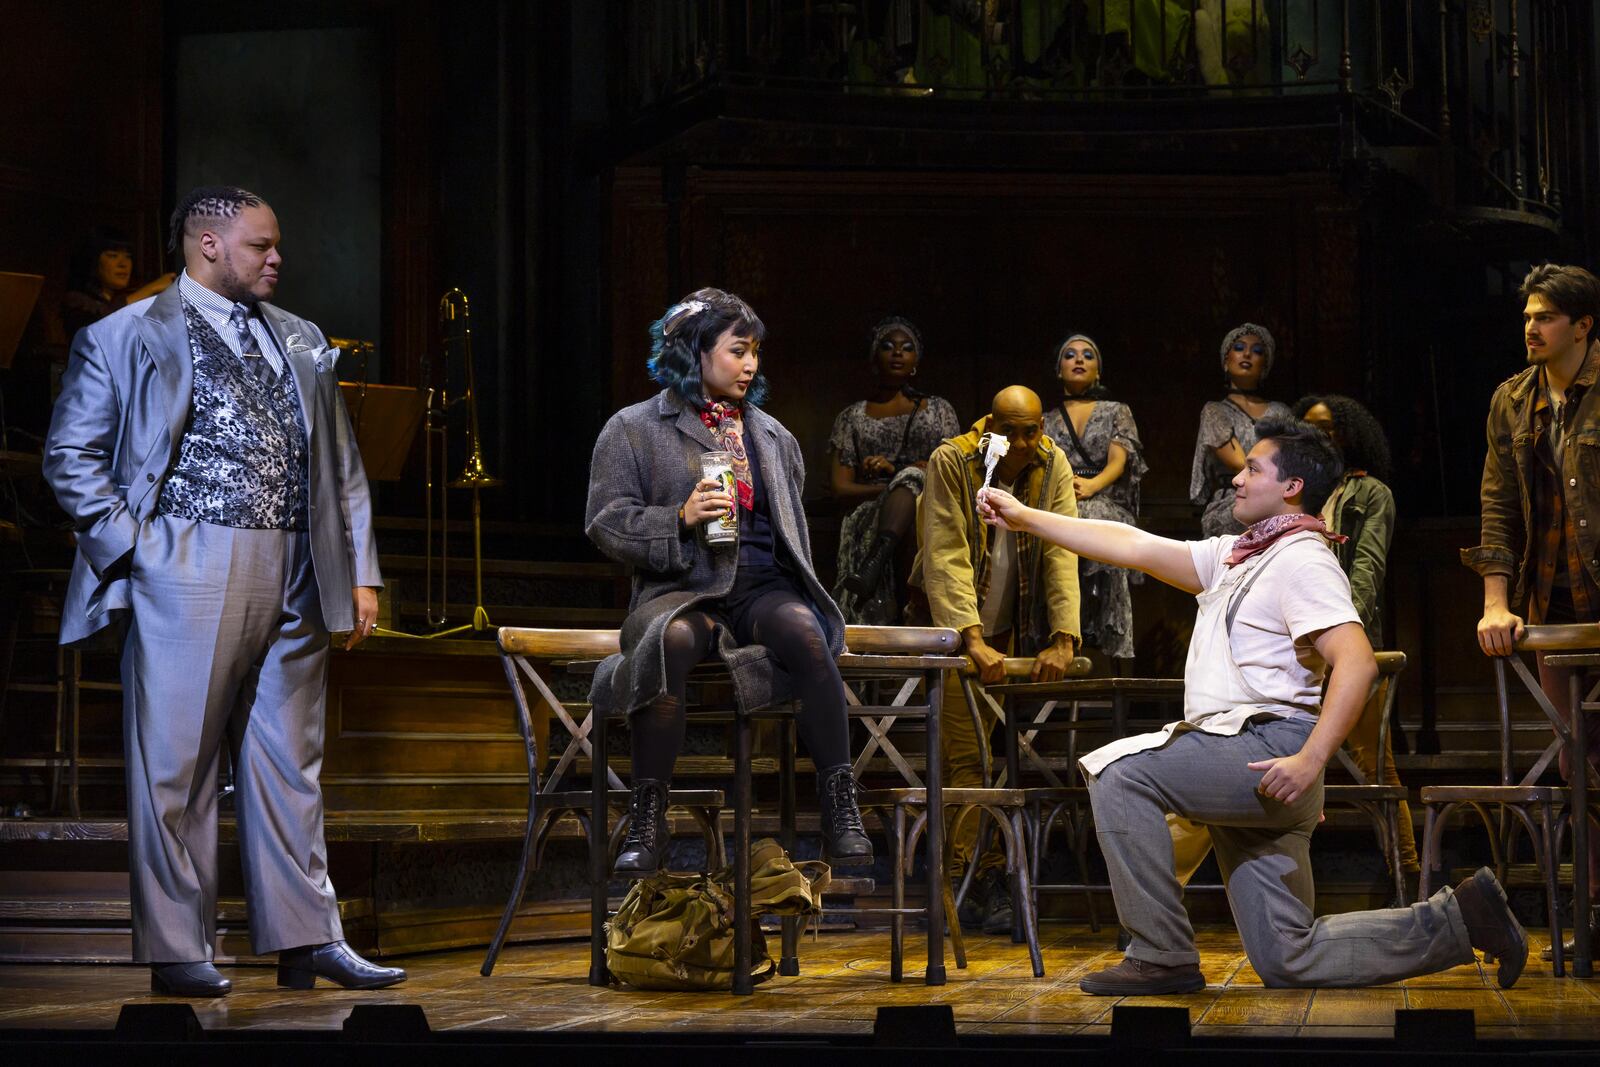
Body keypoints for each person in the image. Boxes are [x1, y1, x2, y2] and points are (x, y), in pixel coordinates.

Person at [978, 417, 1527, 994]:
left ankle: (1161, 955)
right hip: (1248, 759)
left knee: (1119, 774)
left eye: (1252, 469)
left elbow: (1357, 662)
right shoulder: (1237, 556)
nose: (1237, 479)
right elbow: (1135, 546)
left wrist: (1311, 761)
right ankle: (1465, 918)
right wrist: (1026, 517)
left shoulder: (1302, 560)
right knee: (1289, 956)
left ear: (1292, 487)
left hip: (1268, 747)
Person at [43, 186, 401, 998]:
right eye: (260, 246)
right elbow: (70, 456)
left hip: (299, 562)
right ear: (208, 244)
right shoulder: (123, 333)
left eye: (276, 245)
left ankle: (307, 936)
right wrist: (139, 551)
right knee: (176, 766)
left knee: (291, 763)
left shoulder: (300, 336)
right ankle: (179, 947)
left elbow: (340, 462)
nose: (277, 259)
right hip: (186, 559)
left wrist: (360, 569)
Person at [585, 287, 872, 877]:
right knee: (670, 641)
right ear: (696, 351)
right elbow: (605, 522)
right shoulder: (634, 427)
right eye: (738, 351)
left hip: (763, 586)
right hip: (683, 588)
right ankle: (648, 817)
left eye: (755, 352)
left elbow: (790, 529)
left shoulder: (773, 436)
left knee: (807, 631)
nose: (750, 365)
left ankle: (841, 807)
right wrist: (677, 519)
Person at [1167, 394, 1417, 893]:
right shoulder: (1283, 502)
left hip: (1335, 634)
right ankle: (1162, 888)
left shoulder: (1366, 494)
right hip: (1290, 640)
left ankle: (1406, 869)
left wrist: (1331, 628)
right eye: (1311, 426)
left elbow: (1366, 566)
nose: (1322, 435)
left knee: (1374, 764)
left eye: (1330, 428)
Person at [909, 385, 1081, 933]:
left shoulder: (1051, 463)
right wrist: (970, 637)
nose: (1023, 443)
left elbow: (1061, 547)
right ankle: (965, 879)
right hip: (952, 635)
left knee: (991, 760)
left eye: (1032, 431)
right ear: (990, 429)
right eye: (1011, 433)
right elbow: (946, 552)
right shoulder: (953, 460)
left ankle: (980, 875)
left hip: (1008, 630)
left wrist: (1064, 636)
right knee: (968, 759)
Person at [1468, 262, 1600, 959]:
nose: (1531, 327)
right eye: (1527, 316)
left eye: (1545, 317)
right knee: (1579, 766)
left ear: (1583, 325)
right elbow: (1498, 505)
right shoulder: (1512, 401)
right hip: (1554, 606)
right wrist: (1496, 601)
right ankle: (1592, 914)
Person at [829, 315, 961, 624]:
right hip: (870, 509)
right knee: (911, 479)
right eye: (888, 346)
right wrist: (895, 486)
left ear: (917, 359)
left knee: (914, 481)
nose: (898, 352)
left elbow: (955, 470)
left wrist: (900, 471)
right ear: (874, 357)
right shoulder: (852, 417)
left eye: (907, 347)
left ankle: (875, 565)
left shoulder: (939, 410)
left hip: (932, 506)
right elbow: (840, 487)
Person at [1040, 333, 1147, 664]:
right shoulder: (1047, 418)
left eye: (1088, 355)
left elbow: (1119, 461)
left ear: (1098, 370)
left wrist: (1091, 486)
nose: (1079, 359)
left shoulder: (1117, 411)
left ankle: (1100, 627)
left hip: (1104, 498)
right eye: (1070, 355)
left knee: (1094, 516)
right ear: (1058, 369)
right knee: (1055, 524)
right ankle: (1060, 625)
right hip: (1061, 498)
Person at [1190, 323, 1292, 537]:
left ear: (1265, 365)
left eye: (1257, 351)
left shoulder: (1281, 412)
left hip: (1277, 498)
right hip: (1233, 499)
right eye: (1239, 348)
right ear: (1226, 361)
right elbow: (1239, 462)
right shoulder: (1215, 411)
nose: (1247, 354)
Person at [60, 226, 175, 341]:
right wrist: (150, 289)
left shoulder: (128, 297)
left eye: (128, 257)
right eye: (113, 256)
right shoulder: (76, 301)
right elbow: (103, 327)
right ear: (93, 261)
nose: (123, 264)